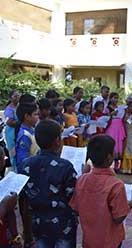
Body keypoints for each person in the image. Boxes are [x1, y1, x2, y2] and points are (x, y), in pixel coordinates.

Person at [19, 120, 78, 248]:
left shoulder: (25, 164)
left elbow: (23, 201)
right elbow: (73, 199)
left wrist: (27, 232)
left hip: (38, 224)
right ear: (57, 140)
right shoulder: (65, 166)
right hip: (63, 226)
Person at [69, 135, 132, 248]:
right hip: (110, 241)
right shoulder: (116, 185)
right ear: (109, 158)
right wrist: (129, 205)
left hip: (89, 240)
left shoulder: (82, 179)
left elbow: (75, 209)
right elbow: (118, 218)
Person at [15, 103, 39, 248]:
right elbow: (22, 161)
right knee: (27, 210)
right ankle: (28, 238)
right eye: (35, 114)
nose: (37, 116)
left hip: (34, 176)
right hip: (28, 179)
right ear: (27, 116)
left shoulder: (32, 130)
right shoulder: (24, 135)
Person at [105, 92, 126, 171]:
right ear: (110, 99)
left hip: (119, 126)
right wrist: (111, 114)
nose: (116, 100)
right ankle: (109, 165)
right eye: (114, 98)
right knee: (112, 144)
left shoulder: (119, 107)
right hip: (112, 127)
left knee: (119, 144)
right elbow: (105, 118)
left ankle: (117, 165)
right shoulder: (107, 108)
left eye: (117, 98)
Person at [4, 90, 20, 167]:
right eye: (15, 96)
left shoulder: (19, 106)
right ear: (10, 98)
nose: (17, 98)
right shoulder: (9, 109)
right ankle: (14, 167)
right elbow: (9, 122)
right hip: (11, 132)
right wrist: (21, 122)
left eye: (18, 95)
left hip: (18, 131)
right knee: (13, 152)